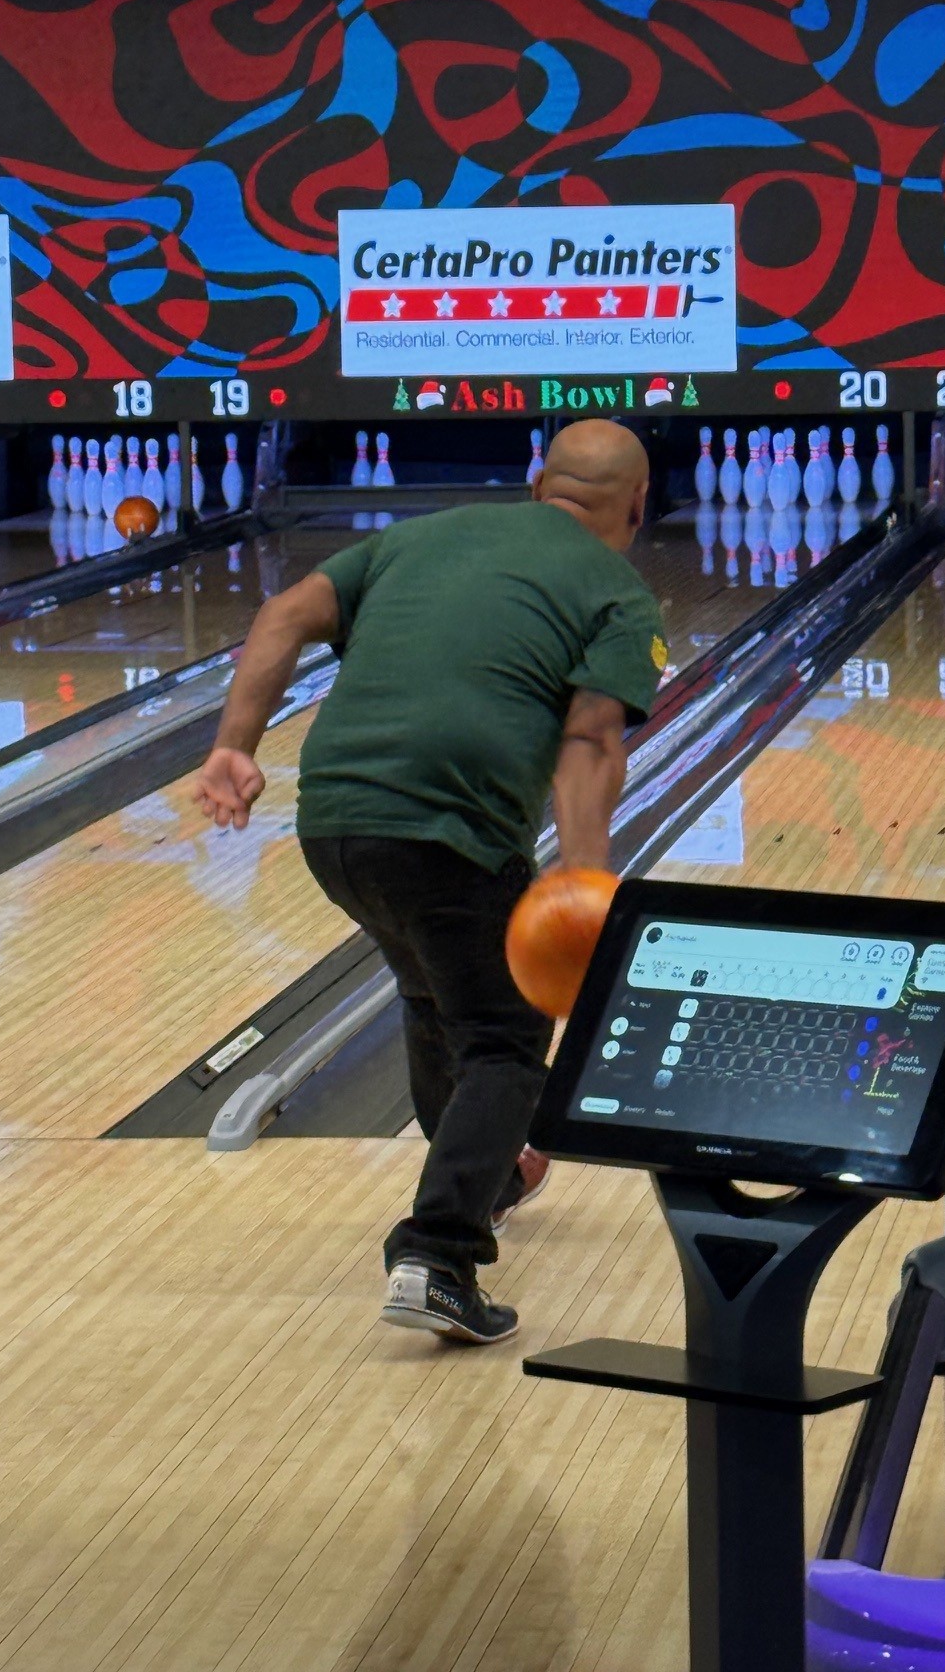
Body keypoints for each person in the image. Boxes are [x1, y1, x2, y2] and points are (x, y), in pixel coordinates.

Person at [193, 420, 666, 1344]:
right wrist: (583, 884)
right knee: (506, 1035)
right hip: (446, 827)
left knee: (434, 987)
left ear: (538, 483)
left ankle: (485, 1181)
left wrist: (233, 748)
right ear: (640, 509)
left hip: (331, 819)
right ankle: (439, 1254)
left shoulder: (422, 534)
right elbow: (589, 741)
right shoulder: (618, 590)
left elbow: (282, 612)